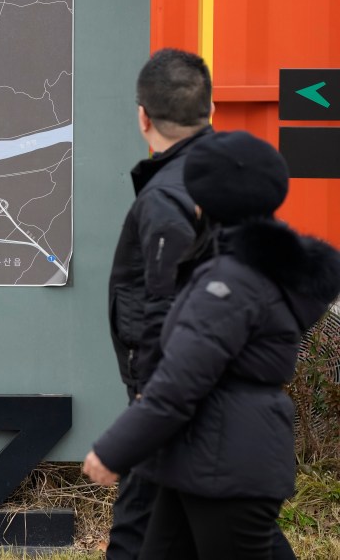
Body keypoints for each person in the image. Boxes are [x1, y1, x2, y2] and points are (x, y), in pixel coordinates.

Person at [85, 131, 340, 559]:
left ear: (207, 201)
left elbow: (179, 383)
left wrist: (113, 451)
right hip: (203, 460)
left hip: (225, 463)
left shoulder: (229, 282)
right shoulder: (248, 269)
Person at [105, 48, 213, 559]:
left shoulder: (167, 197)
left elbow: (164, 306)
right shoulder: (229, 174)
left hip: (169, 392)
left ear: (143, 116)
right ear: (210, 112)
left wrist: (149, 400)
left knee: (136, 530)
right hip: (208, 382)